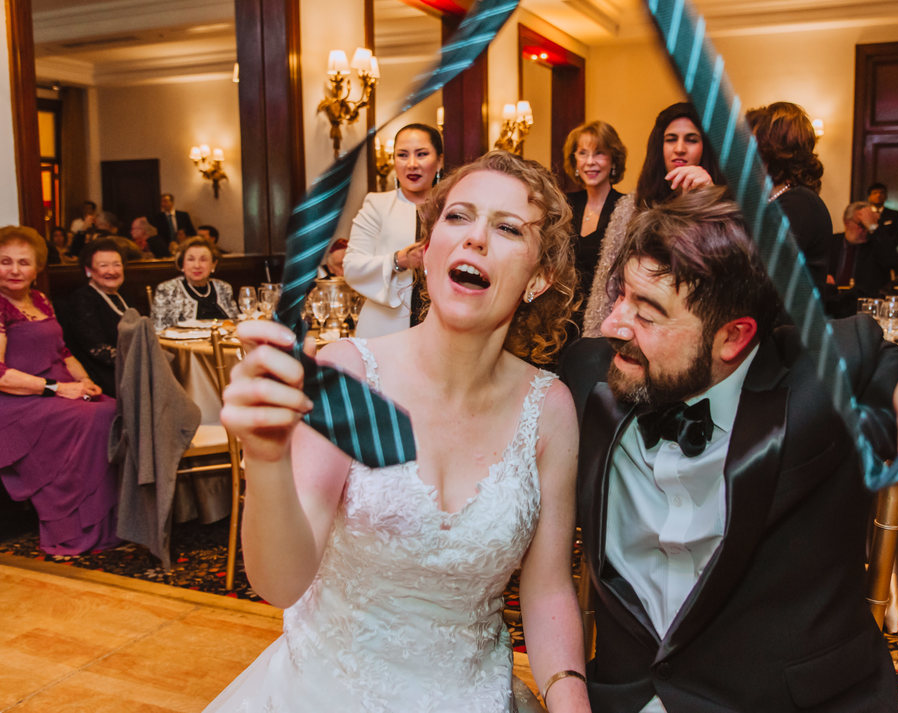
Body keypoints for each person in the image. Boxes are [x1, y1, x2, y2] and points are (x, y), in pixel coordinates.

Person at [557, 187, 898, 712]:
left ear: (733, 338)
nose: (612, 325)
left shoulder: (832, 375)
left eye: (647, 312)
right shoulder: (587, 375)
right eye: (620, 295)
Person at [207, 151, 590, 713]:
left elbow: (549, 586)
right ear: (428, 250)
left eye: (507, 228)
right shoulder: (348, 374)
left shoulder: (550, 408)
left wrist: (569, 697)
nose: (475, 239)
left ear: (539, 278)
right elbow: (279, 583)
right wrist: (265, 461)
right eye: (457, 218)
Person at [0, 225, 119, 555]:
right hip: (9, 400)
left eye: (24, 262)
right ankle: (70, 526)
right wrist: (58, 388)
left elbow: (63, 352)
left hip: (53, 390)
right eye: (6, 261)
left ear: (37, 268)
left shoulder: (41, 299)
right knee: (95, 417)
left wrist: (85, 382)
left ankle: (107, 523)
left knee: (112, 406)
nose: (15, 270)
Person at [581, 102, 720, 336]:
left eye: (691, 140)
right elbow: (607, 284)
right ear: (659, 147)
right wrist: (594, 338)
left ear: (705, 148)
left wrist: (706, 200)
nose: (679, 148)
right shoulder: (631, 206)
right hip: (629, 331)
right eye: (671, 139)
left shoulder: (723, 206)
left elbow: (717, 280)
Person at [344, 123, 444, 336]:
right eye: (402, 155)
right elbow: (351, 267)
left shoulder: (454, 209)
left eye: (422, 154)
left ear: (439, 160)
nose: (412, 164)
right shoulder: (376, 205)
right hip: (384, 329)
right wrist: (398, 261)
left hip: (442, 328)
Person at [746, 101, 833, 289]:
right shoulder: (778, 201)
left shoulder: (799, 203)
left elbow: (761, 273)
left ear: (772, 149)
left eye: (753, 143)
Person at [562, 121, 627, 337]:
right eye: (583, 153)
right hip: (562, 317)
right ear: (575, 160)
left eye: (599, 153)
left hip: (605, 320)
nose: (590, 162)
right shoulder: (565, 206)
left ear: (613, 160)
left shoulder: (627, 208)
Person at [58, 238, 134, 398]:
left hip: (127, 368)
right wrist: (139, 361)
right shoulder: (82, 300)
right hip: (101, 376)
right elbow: (97, 349)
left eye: (116, 264)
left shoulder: (121, 296)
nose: (112, 271)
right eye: (103, 265)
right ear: (89, 271)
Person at [827, 201, 898, 316]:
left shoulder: (875, 245)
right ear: (846, 223)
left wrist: (874, 227)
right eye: (861, 225)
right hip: (831, 305)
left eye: (868, 226)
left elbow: (891, 261)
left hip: (862, 309)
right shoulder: (831, 242)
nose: (865, 231)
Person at [151, 236, 237, 331]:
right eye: (191, 259)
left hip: (223, 342)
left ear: (213, 264)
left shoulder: (224, 287)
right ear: (182, 264)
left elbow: (235, 323)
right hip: (182, 344)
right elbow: (158, 330)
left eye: (203, 260)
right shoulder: (167, 289)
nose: (197, 265)